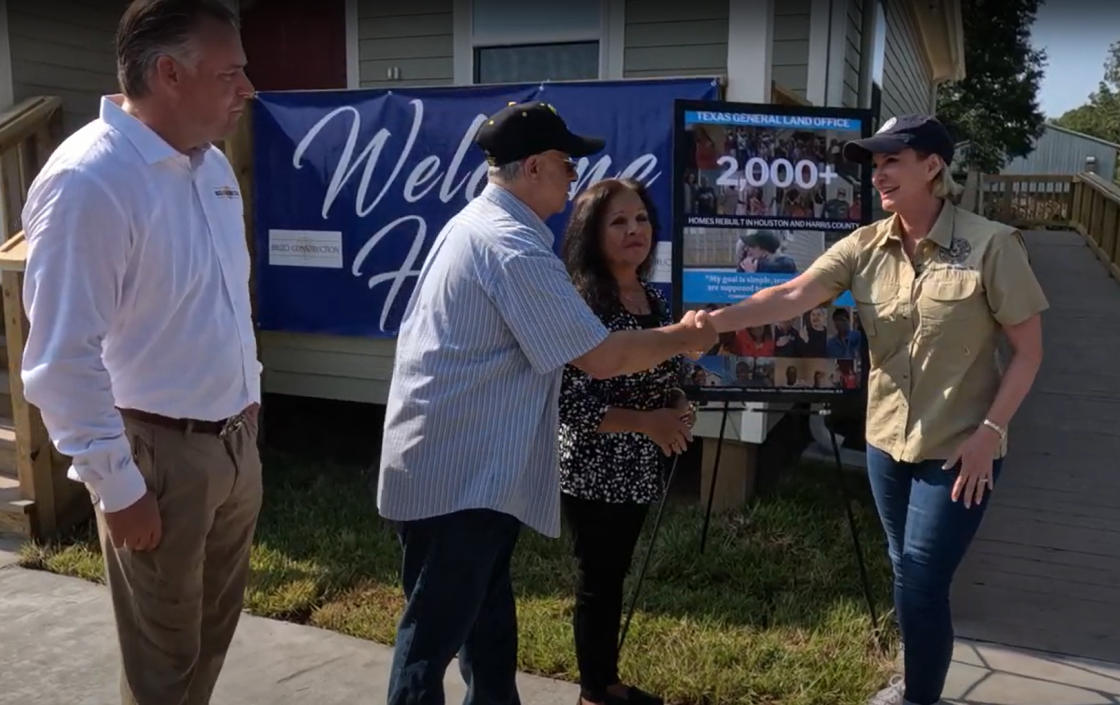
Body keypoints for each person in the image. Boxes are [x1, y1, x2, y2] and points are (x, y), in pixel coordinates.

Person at [698, 114, 1048, 705]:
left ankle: (917, 697)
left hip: (961, 449)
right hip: (888, 441)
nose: (879, 174)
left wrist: (990, 433)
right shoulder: (863, 245)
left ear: (932, 165)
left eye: (892, 160)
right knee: (905, 571)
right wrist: (706, 323)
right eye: (875, 163)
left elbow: (1029, 352)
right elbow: (789, 294)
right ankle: (917, 681)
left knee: (922, 579)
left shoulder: (991, 245)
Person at [376, 102, 717, 705]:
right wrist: (686, 339)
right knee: (429, 644)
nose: (574, 174)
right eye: (566, 162)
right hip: (462, 480)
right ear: (533, 167)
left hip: (468, 473)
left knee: (488, 634)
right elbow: (599, 358)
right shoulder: (513, 248)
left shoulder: (480, 226)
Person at [19, 2, 260, 703]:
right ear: (169, 74)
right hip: (157, 454)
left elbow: (220, 309)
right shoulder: (89, 181)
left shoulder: (209, 166)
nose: (248, 88)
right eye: (232, 72)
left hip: (233, 442)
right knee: (163, 665)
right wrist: (116, 484)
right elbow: (61, 357)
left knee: (208, 641)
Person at [557, 178, 694, 705]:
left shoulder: (656, 300)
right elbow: (571, 406)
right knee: (599, 579)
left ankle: (606, 680)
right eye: (618, 222)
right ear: (592, 236)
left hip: (640, 467)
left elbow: (670, 375)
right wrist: (649, 423)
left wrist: (679, 405)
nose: (635, 229)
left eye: (640, 218)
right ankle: (596, 691)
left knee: (615, 574)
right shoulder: (581, 305)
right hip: (595, 465)